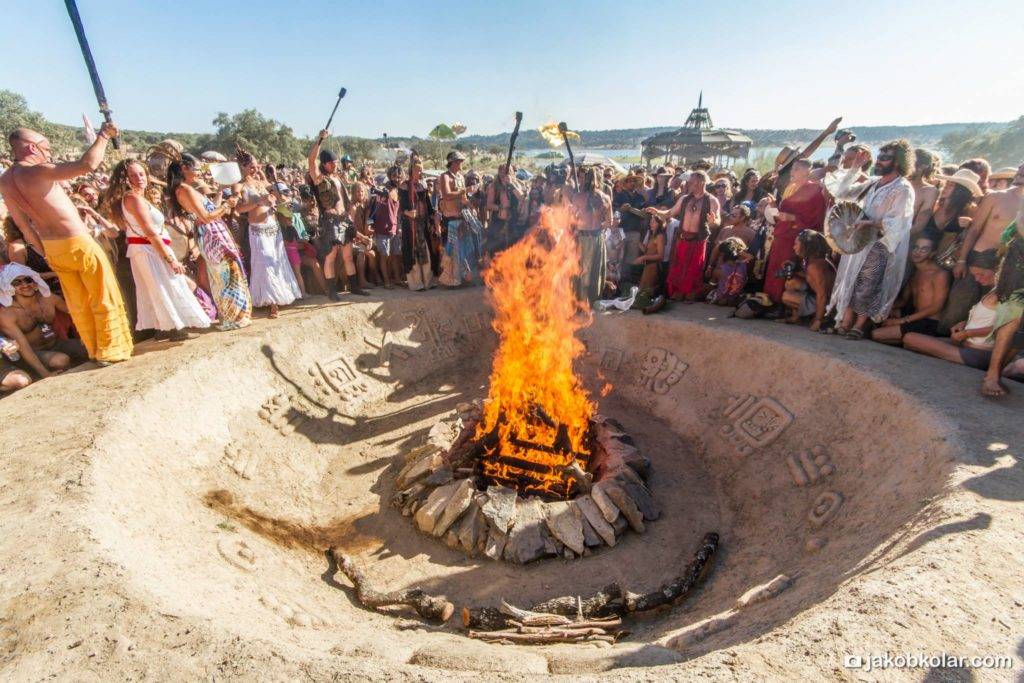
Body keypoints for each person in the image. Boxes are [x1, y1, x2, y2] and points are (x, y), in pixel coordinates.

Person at [0, 125, 133, 364]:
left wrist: (43, 252)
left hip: (52, 247)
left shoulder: (6, 180)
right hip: (77, 242)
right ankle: (112, 351)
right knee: (103, 295)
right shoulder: (37, 170)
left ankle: (94, 350)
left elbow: (24, 226)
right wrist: (103, 136)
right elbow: (87, 165)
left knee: (78, 302)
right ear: (32, 147)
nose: (49, 154)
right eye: (46, 148)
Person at [104, 160, 211, 339]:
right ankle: (173, 328)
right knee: (164, 286)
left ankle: (165, 328)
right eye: (133, 175)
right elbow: (150, 232)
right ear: (126, 179)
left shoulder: (136, 197)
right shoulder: (132, 198)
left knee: (158, 287)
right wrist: (171, 260)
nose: (139, 178)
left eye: (141, 174)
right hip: (149, 250)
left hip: (148, 249)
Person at [825, 140, 916, 339]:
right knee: (852, 278)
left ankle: (859, 324)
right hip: (859, 241)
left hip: (880, 243)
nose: (880, 161)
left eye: (886, 158)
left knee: (868, 283)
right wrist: (855, 169)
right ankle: (845, 320)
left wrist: (871, 223)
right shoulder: (874, 182)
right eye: (880, 157)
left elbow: (898, 222)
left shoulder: (903, 188)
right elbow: (842, 193)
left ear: (898, 162)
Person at [166, 155, 253, 330]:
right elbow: (205, 217)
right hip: (211, 234)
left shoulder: (186, 189)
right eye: (195, 168)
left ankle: (235, 315)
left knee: (227, 272)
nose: (198, 171)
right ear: (184, 168)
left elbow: (209, 209)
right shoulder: (185, 189)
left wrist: (221, 192)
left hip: (212, 232)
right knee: (226, 274)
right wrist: (227, 205)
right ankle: (232, 317)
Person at [942, 164, 1023, 333]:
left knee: (987, 311)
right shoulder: (996, 197)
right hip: (978, 259)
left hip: (1006, 266)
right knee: (959, 303)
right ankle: (941, 340)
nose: (1021, 171)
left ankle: (967, 343)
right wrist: (962, 260)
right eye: (1021, 168)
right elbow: (974, 229)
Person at [234, 149, 301, 318]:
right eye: (251, 167)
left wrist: (274, 196)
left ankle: (280, 297)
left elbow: (280, 198)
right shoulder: (239, 185)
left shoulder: (261, 182)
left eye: (257, 166)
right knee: (263, 263)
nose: (255, 169)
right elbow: (238, 208)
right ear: (242, 167)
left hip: (273, 227)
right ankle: (271, 303)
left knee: (277, 261)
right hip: (257, 230)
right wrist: (257, 202)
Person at [0, 263, 86, 382]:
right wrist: (45, 374)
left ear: (35, 282)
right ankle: (34, 372)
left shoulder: (49, 299)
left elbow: (78, 315)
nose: (25, 285)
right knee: (61, 360)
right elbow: (24, 347)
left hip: (57, 343)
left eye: (28, 280)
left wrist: (86, 336)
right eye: (17, 282)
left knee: (89, 348)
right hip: (34, 352)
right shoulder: (7, 314)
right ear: (10, 288)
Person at [307, 131, 365, 299]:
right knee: (331, 256)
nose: (335, 165)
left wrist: (349, 216)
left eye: (336, 162)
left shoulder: (337, 178)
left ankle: (354, 286)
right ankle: (332, 291)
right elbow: (311, 160)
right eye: (332, 163)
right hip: (330, 220)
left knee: (348, 255)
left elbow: (344, 200)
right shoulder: (319, 178)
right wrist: (320, 139)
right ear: (324, 164)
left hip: (344, 220)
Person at [762, 158, 827, 305]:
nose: (792, 172)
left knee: (787, 271)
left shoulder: (815, 190)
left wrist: (793, 218)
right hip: (780, 236)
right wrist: (772, 206)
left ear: (807, 171)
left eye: (796, 169)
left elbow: (815, 220)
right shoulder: (790, 188)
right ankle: (768, 302)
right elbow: (779, 216)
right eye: (792, 169)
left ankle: (782, 305)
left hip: (796, 240)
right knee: (774, 271)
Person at [651, 170, 720, 302]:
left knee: (694, 270)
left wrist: (713, 221)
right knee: (678, 268)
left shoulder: (712, 200)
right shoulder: (684, 199)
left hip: (698, 241)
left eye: (691, 182)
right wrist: (658, 212)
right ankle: (677, 294)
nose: (688, 184)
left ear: (701, 182)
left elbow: (718, 221)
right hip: (682, 239)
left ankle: (689, 294)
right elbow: (670, 213)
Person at [871, 231, 950, 344]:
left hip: (930, 321)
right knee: (875, 319)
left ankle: (922, 341)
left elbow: (936, 307)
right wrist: (882, 308)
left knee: (875, 334)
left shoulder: (939, 274)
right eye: (916, 247)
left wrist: (901, 321)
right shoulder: (915, 272)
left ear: (932, 253)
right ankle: (911, 340)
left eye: (924, 249)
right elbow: (903, 301)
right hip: (914, 316)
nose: (917, 252)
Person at [437, 151, 480, 287]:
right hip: (450, 221)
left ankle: (462, 279)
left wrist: (470, 204)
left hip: (462, 219)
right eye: (459, 161)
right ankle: (450, 282)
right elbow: (447, 195)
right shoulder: (444, 177)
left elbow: (463, 198)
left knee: (463, 251)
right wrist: (464, 191)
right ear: (453, 162)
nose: (461, 163)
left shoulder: (461, 177)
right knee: (451, 252)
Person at [571, 167, 611, 303]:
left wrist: (579, 225)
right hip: (598, 237)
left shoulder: (578, 197)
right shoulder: (606, 198)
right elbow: (609, 222)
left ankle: (582, 303)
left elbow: (571, 218)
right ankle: (593, 302)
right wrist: (598, 226)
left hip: (583, 238)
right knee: (595, 270)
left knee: (583, 271)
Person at [782, 230, 834, 330]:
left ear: (806, 246)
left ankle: (821, 318)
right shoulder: (812, 260)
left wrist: (818, 320)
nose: (794, 247)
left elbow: (822, 294)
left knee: (786, 297)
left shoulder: (815, 266)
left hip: (828, 305)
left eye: (796, 244)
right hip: (820, 298)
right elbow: (810, 279)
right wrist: (794, 271)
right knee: (791, 282)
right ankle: (796, 317)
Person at [398, 160, 437, 290]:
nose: (420, 172)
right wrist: (407, 212)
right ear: (411, 171)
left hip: (422, 224)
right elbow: (401, 207)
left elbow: (429, 206)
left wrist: (432, 218)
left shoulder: (422, 186)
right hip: (410, 225)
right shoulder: (404, 186)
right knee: (413, 253)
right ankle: (416, 283)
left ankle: (427, 281)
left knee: (425, 251)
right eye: (418, 170)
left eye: (421, 170)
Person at [370, 165, 404, 288]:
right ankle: (386, 281)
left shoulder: (398, 191)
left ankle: (397, 279)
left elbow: (397, 212)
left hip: (394, 228)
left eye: (399, 177)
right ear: (390, 177)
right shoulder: (384, 191)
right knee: (385, 256)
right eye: (395, 176)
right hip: (382, 228)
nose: (398, 179)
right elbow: (375, 206)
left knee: (395, 255)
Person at [612, 174, 648, 283]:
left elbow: (645, 215)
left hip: (635, 231)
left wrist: (631, 209)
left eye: (633, 181)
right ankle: (617, 281)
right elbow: (613, 213)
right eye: (629, 181)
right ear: (625, 183)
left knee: (631, 258)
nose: (632, 183)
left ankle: (628, 282)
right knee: (619, 257)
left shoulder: (640, 197)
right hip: (620, 231)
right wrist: (621, 209)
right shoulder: (619, 196)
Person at [706, 237, 748, 307]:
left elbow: (713, 283)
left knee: (713, 282)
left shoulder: (719, 270)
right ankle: (729, 298)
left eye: (721, 255)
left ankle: (722, 298)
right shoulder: (742, 265)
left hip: (721, 293)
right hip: (736, 293)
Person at [910, 148, 941, 237]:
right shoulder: (896, 182)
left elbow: (919, 225)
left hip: (902, 239)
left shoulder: (930, 191)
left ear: (922, 167)